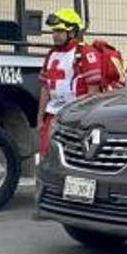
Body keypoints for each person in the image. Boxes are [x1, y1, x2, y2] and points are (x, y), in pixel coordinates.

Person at [37, 8, 105, 156]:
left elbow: (93, 92)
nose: (55, 35)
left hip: (75, 117)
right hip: (52, 114)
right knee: (46, 155)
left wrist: (82, 119)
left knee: (71, 156)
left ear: (72, 32)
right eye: (54, 31)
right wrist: (40, 119)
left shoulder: (86, 53)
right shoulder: (52, 53)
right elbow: (45, 88)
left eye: (60, 31)